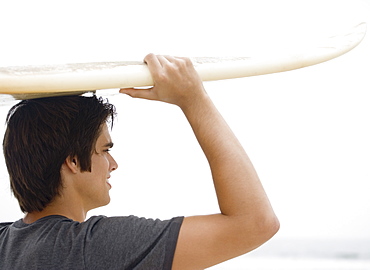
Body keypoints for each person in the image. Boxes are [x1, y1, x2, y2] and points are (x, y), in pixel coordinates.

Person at [0, 54, 279, 270]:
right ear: (73, 161)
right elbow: (255, 223)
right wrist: (194, 100)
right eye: (104, 150)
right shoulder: (93, 247)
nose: (113, 164)